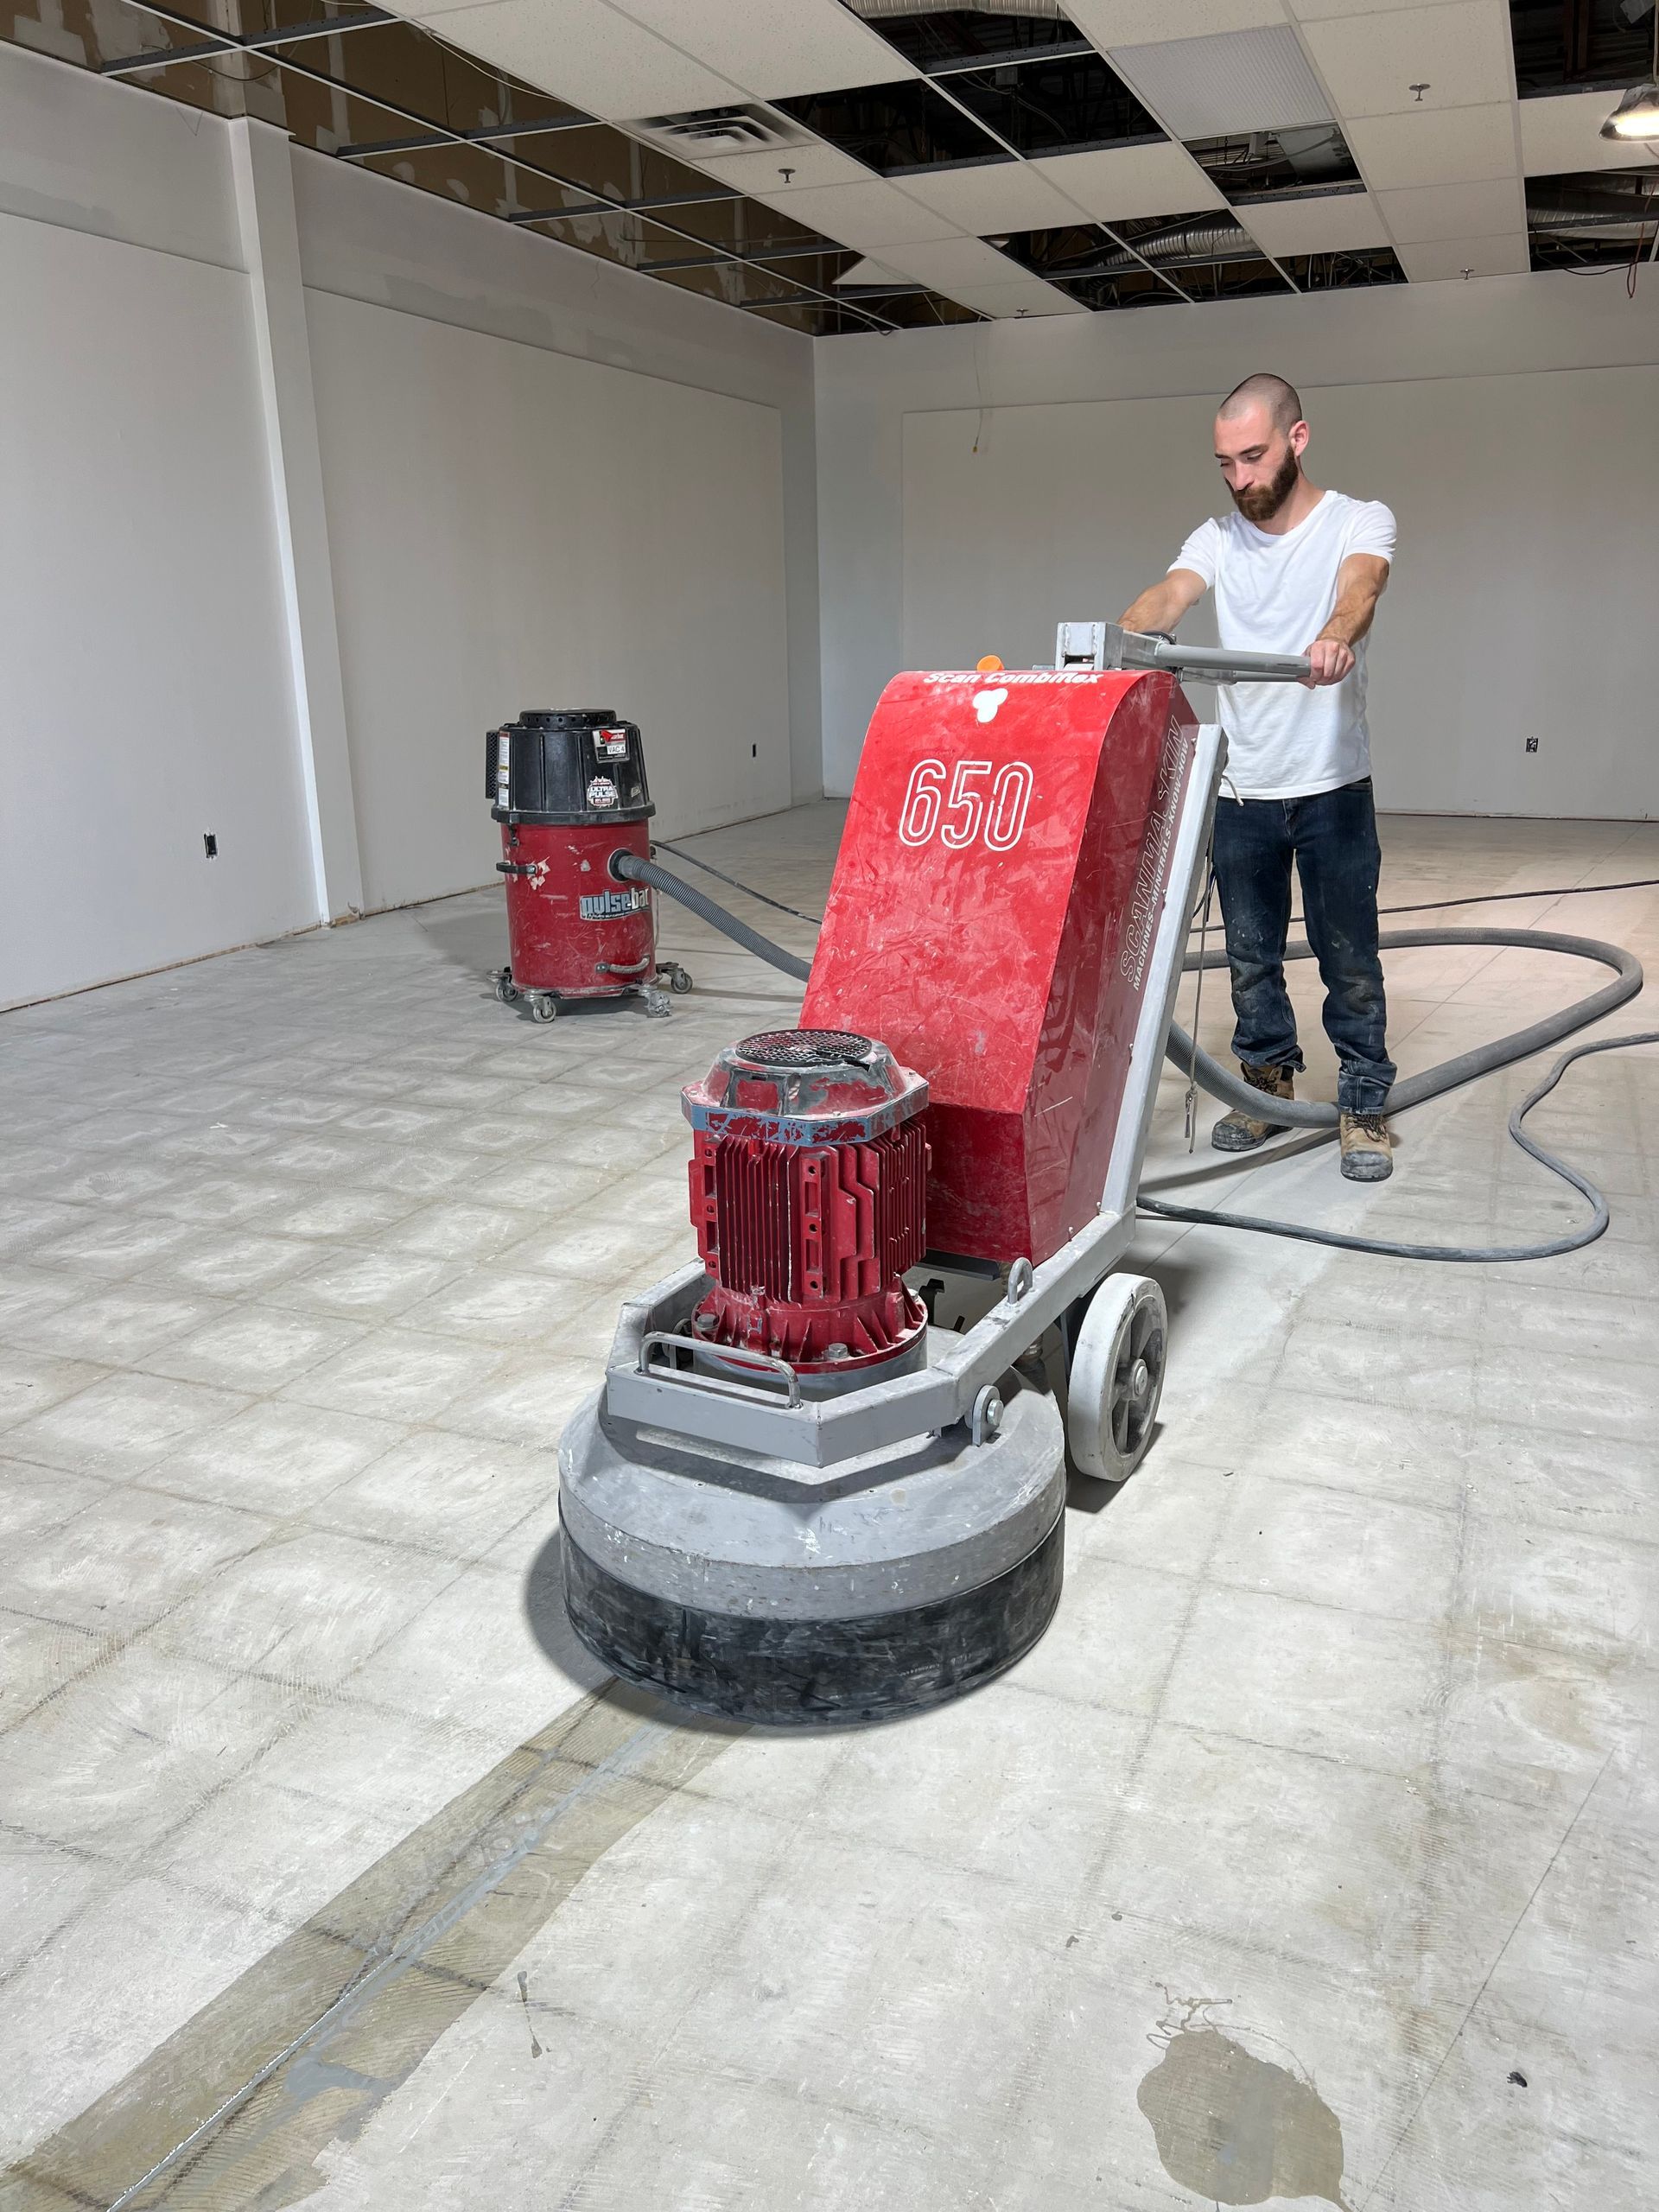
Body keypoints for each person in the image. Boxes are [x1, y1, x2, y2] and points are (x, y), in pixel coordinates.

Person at [1119, 372, 1397, 1182]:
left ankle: (1364, 1100)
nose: (1241, 480)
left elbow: (1362, 585)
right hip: (1243, 790)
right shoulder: (1216, 537)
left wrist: (1335, 636)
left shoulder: (1358, 518)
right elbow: (1171, 594)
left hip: (1332, 785)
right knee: (1249, 957)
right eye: (1225, 465)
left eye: (1253, 456)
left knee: (1348, 955)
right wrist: (1116, 641)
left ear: (1296, 440)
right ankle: (1269, 1083)